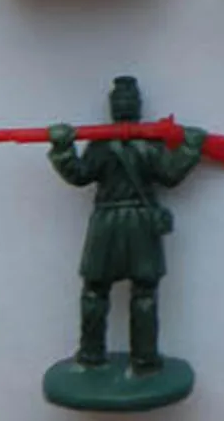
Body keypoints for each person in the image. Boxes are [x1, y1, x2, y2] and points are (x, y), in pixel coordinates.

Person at [47, 76, 205, 372]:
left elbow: (80, 174)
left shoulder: (120, 143)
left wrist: (63, 151)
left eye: (125, 100)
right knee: (117, 291)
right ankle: (123, 357)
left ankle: (115, 357)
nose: (122, 104)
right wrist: (189, 150)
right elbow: (170, 173)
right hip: (132, 222)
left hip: (113, 222)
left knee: (111, 291)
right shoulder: (127, 143)